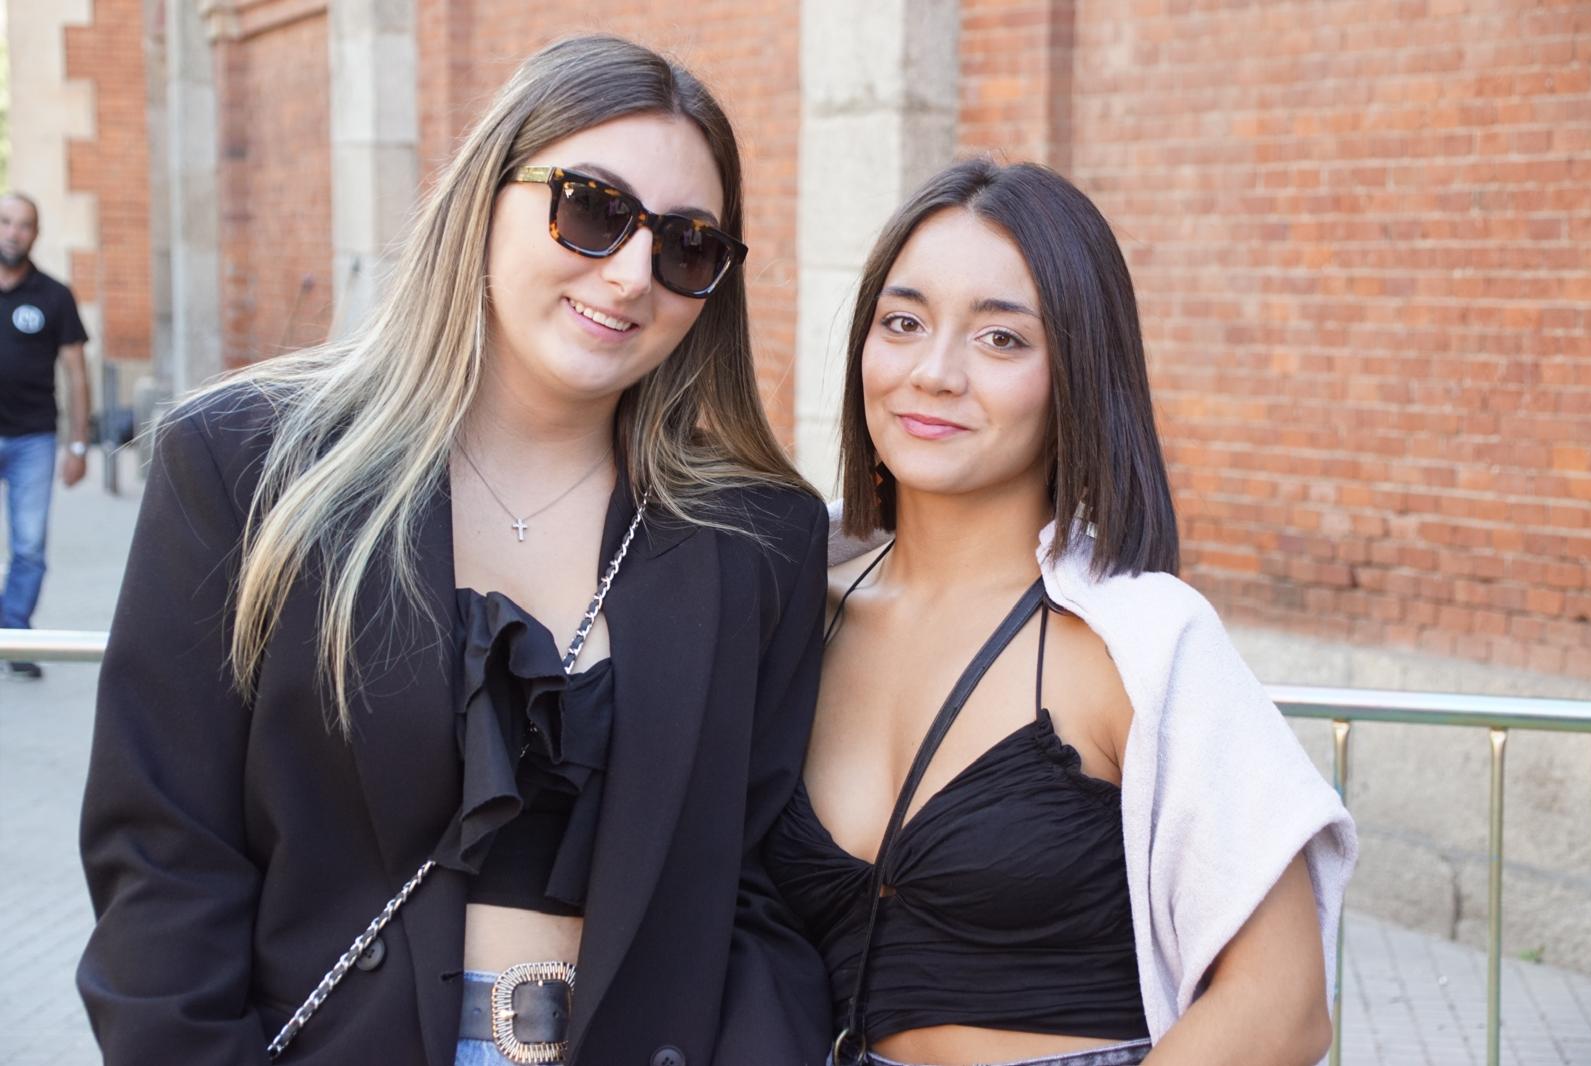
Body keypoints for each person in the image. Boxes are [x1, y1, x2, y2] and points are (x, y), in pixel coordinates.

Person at [78, 35, 831, 1066]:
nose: (629, 274)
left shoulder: (756, 537)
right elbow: (166, 856)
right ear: (485, 197)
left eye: (687, 244)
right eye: (590, 207)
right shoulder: (247, 466)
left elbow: (759, 883)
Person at [766, 159, 1358, 1066]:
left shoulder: (1144, 638)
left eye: (1001, 340)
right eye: (903, 322)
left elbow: (1282, 1008)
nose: (934, 372)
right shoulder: (798, 613)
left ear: (1078, 372)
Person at [0, 191, 90, 678]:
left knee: (29, 546)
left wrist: (78, 444)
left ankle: (13, 633)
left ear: (35, 234)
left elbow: (77, 373)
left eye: (24, 225)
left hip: (34, 439)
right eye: (5, 222)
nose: (13, 232)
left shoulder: (54, 295)